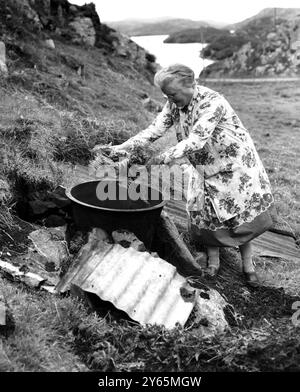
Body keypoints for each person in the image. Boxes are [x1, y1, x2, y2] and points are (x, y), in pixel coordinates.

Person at [110, 64, 274, 287]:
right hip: (203, 166)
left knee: (240, 216)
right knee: (205, 213)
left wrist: (161, 158)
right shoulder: (174, 103)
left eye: (173, 94)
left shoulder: (212, 103)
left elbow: (195, 140)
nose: (170, 99)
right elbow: (154, 130)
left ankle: (248, 266)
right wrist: (122, 148)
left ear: (191, 85)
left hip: (233, 165)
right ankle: (213, 263)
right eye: (166, 95)